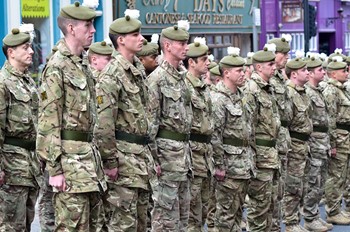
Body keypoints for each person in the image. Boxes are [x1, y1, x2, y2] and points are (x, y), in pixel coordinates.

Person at [36, 2, 107, 231]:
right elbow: (48, 121)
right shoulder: (57, 66)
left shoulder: (82, 64)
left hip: (89, 164)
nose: (93, 30)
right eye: (88, 25)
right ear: (71, 28)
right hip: (69, 166)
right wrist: (55, 169)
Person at [94, 9, 156, 232]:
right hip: (123, 161)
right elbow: (103, 124)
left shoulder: (137, 70)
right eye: (136, 35)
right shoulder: (112, 74)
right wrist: (110, 162)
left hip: (140, 160)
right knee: (123, 225)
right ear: (121, 40)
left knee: (142, 224)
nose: (142, 39)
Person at [147, 20, 192, 232]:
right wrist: (155, 160)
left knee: (183, 219)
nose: (186, 47)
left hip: (183, 159)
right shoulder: (157, 79)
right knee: (165, 220)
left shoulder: (182, 79)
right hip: (165, 162)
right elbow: (150, 126)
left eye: (186, 43)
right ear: (167, 46)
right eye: (181, 43)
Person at [0, 27, 42, 231]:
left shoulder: (27, 82)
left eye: (30, 47)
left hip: (29, 164)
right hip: (11, 165)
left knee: (25, 223)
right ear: (11, 52)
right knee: (10, 226)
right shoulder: (3, 83)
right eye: (25, 47)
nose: (31, 51)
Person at [210, 47, 254, 231]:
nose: (243, 74)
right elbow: (214, 135)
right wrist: (219, 165)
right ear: (226, 73)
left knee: (237, 213)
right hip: (228, 165)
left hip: (243, 163)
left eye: (244, 70)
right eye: (239, 71)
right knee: (225, 215)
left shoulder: (241, 96)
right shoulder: (218, 99)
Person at [244, 44, 280, 232]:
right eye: (270, 64)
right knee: (259, 209)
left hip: (271, 157)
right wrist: (253, 160)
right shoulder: (252, 90)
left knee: (271, 206)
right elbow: (247, 128)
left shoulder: (268, 88)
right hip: (260, 159)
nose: (274, 67)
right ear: (258, 67)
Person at [182, 37, 213, 231]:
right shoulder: (185, 86)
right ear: (191, 62)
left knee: (203, 210)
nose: (208, 62)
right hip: (192, 155)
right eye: (204, 59)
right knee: (192, 211)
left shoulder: (203, 87)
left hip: (205, 154)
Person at [282, 56, 313, 232]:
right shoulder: (290, 93)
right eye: (304, 70)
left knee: (301, 185)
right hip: (294, 146)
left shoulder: (302, 92)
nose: (307, 73)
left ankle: (296, 221)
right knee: (292, 186)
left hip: (303, 146)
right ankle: (291, 223)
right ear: (294, 74)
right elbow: (285, 124)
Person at [303, 54, 333, 231]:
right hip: (314, 142)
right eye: (320, 70)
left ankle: (314, 215)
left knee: (321, 182)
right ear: (311, 73)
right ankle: (309, 217)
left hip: (323, 142)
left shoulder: (319, 90)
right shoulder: (307, 92)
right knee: (313, 182)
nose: (323, 72)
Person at [267, 34, 293, 231]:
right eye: (283, 54)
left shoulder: (280, 78)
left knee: (280, 190)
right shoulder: (267, 79)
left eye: (287, 54)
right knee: (269, 191)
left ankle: (275, 226)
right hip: (270, 140)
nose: (286, 57)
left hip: (282, 138)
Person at [322, 56, 350, 225]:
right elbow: (330, 119)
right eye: (343, 71)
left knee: (346, 175)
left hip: (346, 136)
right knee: (336, 176)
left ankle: (344, 208)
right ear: (332, 74)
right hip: (339, 138)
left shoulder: (342, 89)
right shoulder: (331, 91)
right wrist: (332, 143)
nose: (346, 73)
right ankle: (333, 211)